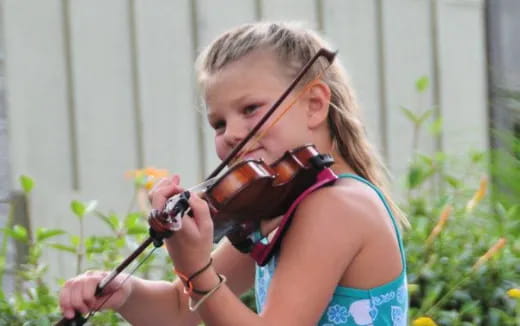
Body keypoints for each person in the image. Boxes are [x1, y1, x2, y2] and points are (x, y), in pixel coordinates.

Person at [59, 22, 409, 326]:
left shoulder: (336, 206)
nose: (231, 134)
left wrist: (196, 268)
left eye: (250, 109)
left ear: (314, 104)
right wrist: (125, 292)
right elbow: (179, 311)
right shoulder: (278, 207)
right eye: (219, 123)